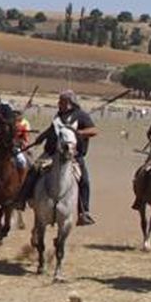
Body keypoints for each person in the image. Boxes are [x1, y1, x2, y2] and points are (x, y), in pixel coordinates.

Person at [51, 91, 99, 225]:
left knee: (84, 181)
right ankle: (23, 199)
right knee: (35, 170)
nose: (58, 104)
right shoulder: (58, 116)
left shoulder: (81, 115)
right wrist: (40, 138)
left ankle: (84, 213)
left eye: (61, 101)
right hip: (55, 154)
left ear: (69, 102)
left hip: (75, 156)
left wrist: (78, 132)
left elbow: (94, 131)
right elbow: (52, 131)